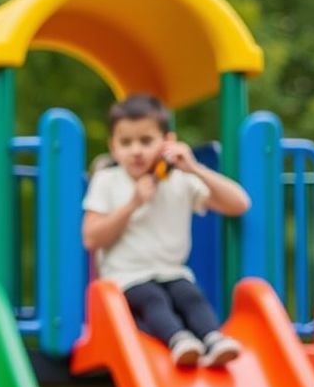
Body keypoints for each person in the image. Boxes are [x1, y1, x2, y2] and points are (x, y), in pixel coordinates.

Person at [81, 93, 251, 367]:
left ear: (166, 142)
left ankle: (213, 339)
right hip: (124, 280)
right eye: (126, 142)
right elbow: (91, 237)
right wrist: (133, 203)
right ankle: (179, 340)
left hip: (172, 273)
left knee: (190, 295)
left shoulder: (180, 179)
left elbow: (239, 204)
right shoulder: (107, 181)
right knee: (152, 298)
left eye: (146, 141)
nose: (136, 150)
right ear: (113, 147)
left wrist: (194, 168)